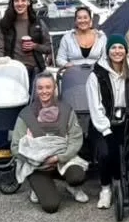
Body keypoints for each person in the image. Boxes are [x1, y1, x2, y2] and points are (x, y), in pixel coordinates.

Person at [12, 73, 90, 213]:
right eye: (40, 88)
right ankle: (37, 188)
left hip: (62, 160)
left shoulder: (66, 110)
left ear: (55, 88)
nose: (44, 91)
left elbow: (76, 139)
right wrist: (38, 160)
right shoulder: (26, 114)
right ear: (35, 90)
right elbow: (15, 147)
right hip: (36, 165)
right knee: (51, 206)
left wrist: (58, 158)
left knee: (77, 176)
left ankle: (72, 187)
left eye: (48, 87)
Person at [86, 36, 129, 209]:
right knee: (106, 152)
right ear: (107, 51)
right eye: (113, 48)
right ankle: (106, 189)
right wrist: (106, 130)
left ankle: (128, 182)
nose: (117, 51)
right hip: (103, 122)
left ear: (126, 51)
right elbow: (95, 107)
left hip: (127, 120)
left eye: (120, 47)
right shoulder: (96, 75)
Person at [0, 0, 51, 82]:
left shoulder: (38, 23)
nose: (20, 4)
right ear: (12, 3)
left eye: (23, 0)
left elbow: (49, 48)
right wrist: (3, 68)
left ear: (29, 2)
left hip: (36, 70)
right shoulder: (4, 24)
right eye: (16, 1)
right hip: (13, 71)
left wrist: (35, 46)